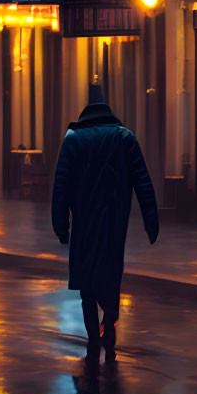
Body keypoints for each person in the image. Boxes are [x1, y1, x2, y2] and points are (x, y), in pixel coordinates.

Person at [50, 85, 160, 357]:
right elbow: (143, 182)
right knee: (111, 271)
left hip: (84, 221)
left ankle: (92, 338)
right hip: (114, 219)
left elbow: (60, 186)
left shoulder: (73, 139)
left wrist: (61, 225)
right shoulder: (125, 138)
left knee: (86, 280)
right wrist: (151, 221)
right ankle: (109, 319)